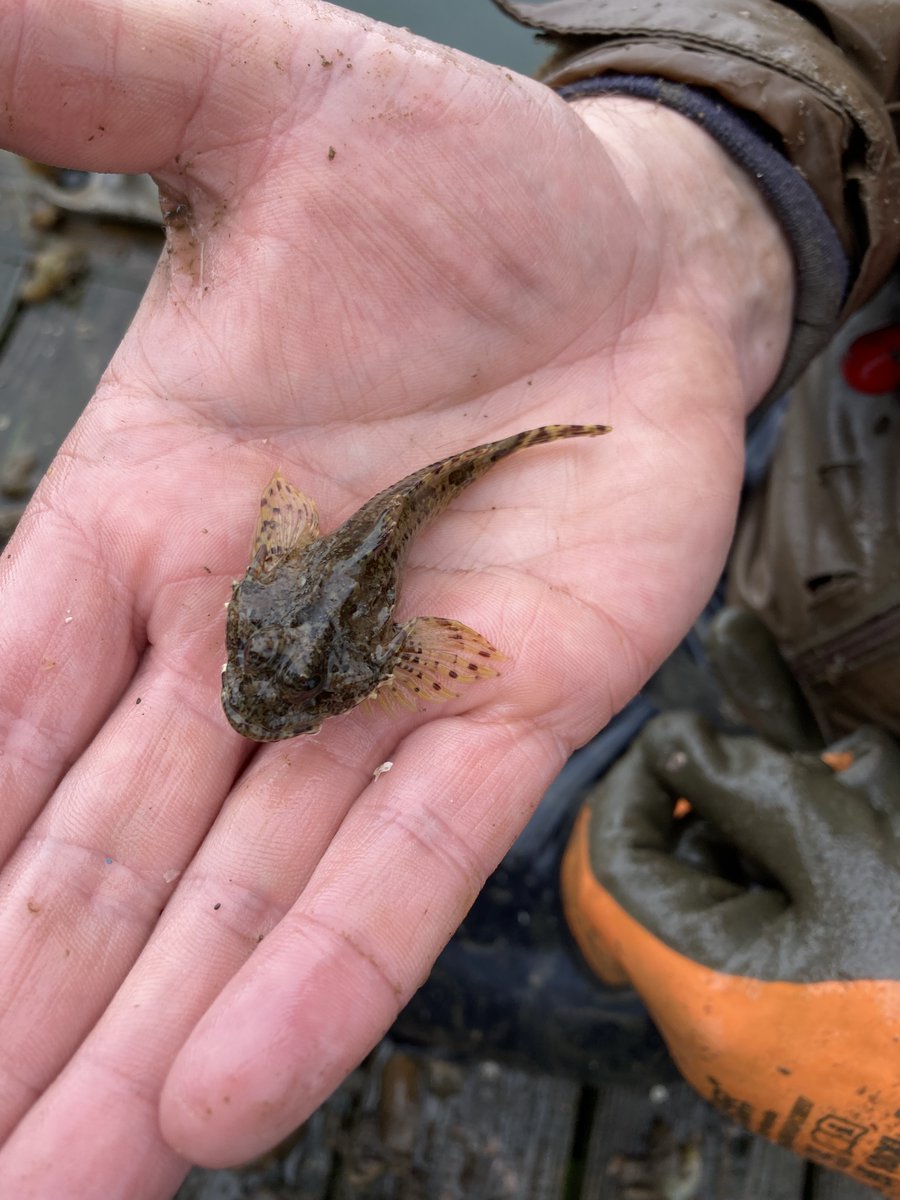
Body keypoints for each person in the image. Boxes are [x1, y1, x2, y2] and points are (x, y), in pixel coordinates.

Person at [0, 3, 894, 1200]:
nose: (260, 694)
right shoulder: (301, 645)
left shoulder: (292, 638)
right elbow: (400, 635)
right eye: (258, 688)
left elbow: (418, 639)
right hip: (841, 424)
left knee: (444, 935)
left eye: (264, 687)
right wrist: (717, 163)